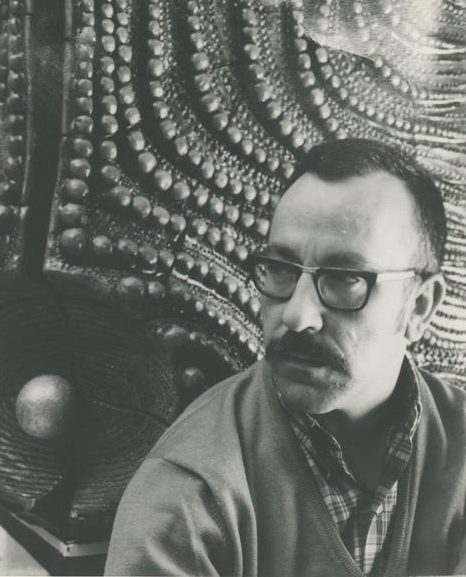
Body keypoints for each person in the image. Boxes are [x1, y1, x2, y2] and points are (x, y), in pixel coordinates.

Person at [105, 138, 466, 577]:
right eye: (280, 269)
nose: (296, 315)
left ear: (420, 306)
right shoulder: (187, 496)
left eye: (344, 278)